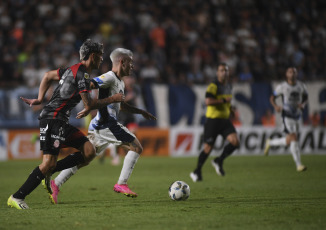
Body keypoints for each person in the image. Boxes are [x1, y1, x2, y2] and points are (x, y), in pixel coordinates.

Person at [7, 39, 125, 210]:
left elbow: (48, 75)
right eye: (100, 56)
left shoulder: (71, 70)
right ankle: (17, 197)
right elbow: (89, 105)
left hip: (61, 121)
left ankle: (50, 172)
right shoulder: (81, 74)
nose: (101, 59)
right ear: (92, 56)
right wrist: (112, 99)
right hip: (52, 119)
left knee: (89, 151)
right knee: (48, 163)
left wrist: (40, 98)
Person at [46, 48, 156, 204]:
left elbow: (121, 105)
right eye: (131, 63)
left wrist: (140, 111)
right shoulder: (110, 77)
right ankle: (121, 183)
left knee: (84, 159)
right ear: (122, 62)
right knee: (136, 147)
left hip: (99, 125)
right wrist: (87, 105)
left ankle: (56, 183)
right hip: (107, 124)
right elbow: (88, 84)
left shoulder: (120, 82)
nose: (132, 66)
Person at [190, 63, 240, 182]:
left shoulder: (228, 85)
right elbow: (208, 101)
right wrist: (223, 100)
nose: (224, 73)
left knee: (235, 142)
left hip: (225, 120)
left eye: (226, 70)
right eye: (222, 70)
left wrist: (230, 109)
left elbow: (227, 101)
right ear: (217, 73)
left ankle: (219, 160)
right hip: (213, 121)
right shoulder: (213, 86)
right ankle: (197, 171)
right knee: (208, 148)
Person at [264, 67, 308, 172]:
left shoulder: (301, 86)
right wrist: (276, 107)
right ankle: (299, 165)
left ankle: (270, 143)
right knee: (294, 137)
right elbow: (272, 98)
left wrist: (303, 104)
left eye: (294, 72)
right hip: (287, 115)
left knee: (289, 140)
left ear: (296, 74)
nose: (292, 74)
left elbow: (305, 97)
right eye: (290, 72)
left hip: (297, 115)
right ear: (286, 75)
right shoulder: (282, 87)